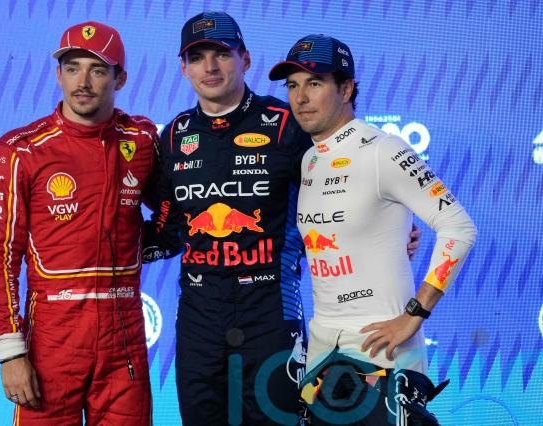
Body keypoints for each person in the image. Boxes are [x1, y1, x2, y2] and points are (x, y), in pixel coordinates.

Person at [148, 12, 420, 425]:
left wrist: (390, 227)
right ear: (182, 67)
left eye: (222, 53)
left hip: (271, 312)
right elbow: (168, 229)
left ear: (245, 59)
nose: (210, 67)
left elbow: (346, 184)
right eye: (197, 57)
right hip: (199, 319)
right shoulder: (173, 136)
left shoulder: (289, 124)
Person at [269, 34, 478, 425]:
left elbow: (459, 228)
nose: (301, 97)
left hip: (383, 353)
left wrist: (414, 314)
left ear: (346, 89)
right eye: (292, 86)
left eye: (314, 83)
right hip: (322, 355)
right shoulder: (310, 158)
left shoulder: (385, 150)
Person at [0, 21, 157, 425]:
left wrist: (151, 242)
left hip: (124, 334)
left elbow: (175, 208)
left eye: (97, 70)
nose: (83, 82)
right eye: (72, 68)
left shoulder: (142, 140)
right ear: (58, 75)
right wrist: (10, 352)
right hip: (52, 337)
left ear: (120, 79)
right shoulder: (19, 150)